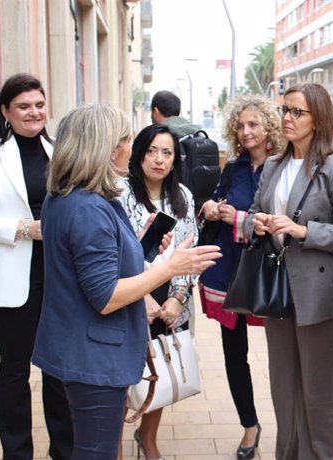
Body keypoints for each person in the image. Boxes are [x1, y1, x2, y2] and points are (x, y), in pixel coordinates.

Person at [31, 103, 220, 460]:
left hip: (83, 350)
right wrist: (169, 267)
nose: (130, 147)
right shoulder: (87, 208)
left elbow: (100, 263)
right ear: (102, 146)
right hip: (94, 356)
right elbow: (106, 296)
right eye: (125, 139)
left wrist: (146, 250)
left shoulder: (72, 198)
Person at [246, 83, 333, 460]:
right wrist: (258, 223)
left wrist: (303, 231)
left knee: (319, 391)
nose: (287, 118)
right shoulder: (273, 166)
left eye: (298, 112)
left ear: (319, 119)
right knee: (283, 387)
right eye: (285, 110)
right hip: (278, 289)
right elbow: (251, 213)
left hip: (319, 294)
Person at [0, 73, 74, 460]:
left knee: (59, 369)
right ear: (6, 112)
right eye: (24, 106)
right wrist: (26, 229)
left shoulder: (62, 150)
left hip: (59, 276)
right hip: (12, 278)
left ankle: (63, 451)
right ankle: (17, 454)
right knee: (15, 370)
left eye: (39, 104)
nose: (34, 112)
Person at [198, 94, 284, 459]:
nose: (246, 131)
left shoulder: (283, 167)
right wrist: (211, 207)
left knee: (283, 354)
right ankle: (249, 425)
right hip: (230, 272)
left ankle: (291, 425)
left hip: (271, 273)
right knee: (234, 353)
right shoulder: (233, 167)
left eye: (253, 124)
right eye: (241, 124)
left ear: (269, 127)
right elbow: (213, 203)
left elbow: (275, 222)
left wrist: (234, 217)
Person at [118, 123, 198, 460]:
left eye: (166, 153)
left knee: (160, 370)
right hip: (129, 293)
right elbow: (117, 257)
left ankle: (148, 439)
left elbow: (190, 250)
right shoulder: (118, 193)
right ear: (138, 154)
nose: (159, 159)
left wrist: (177, 299)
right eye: (151, 151)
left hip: (170, 296)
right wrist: (144, 297)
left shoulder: (183, 196)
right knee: (124, 374)